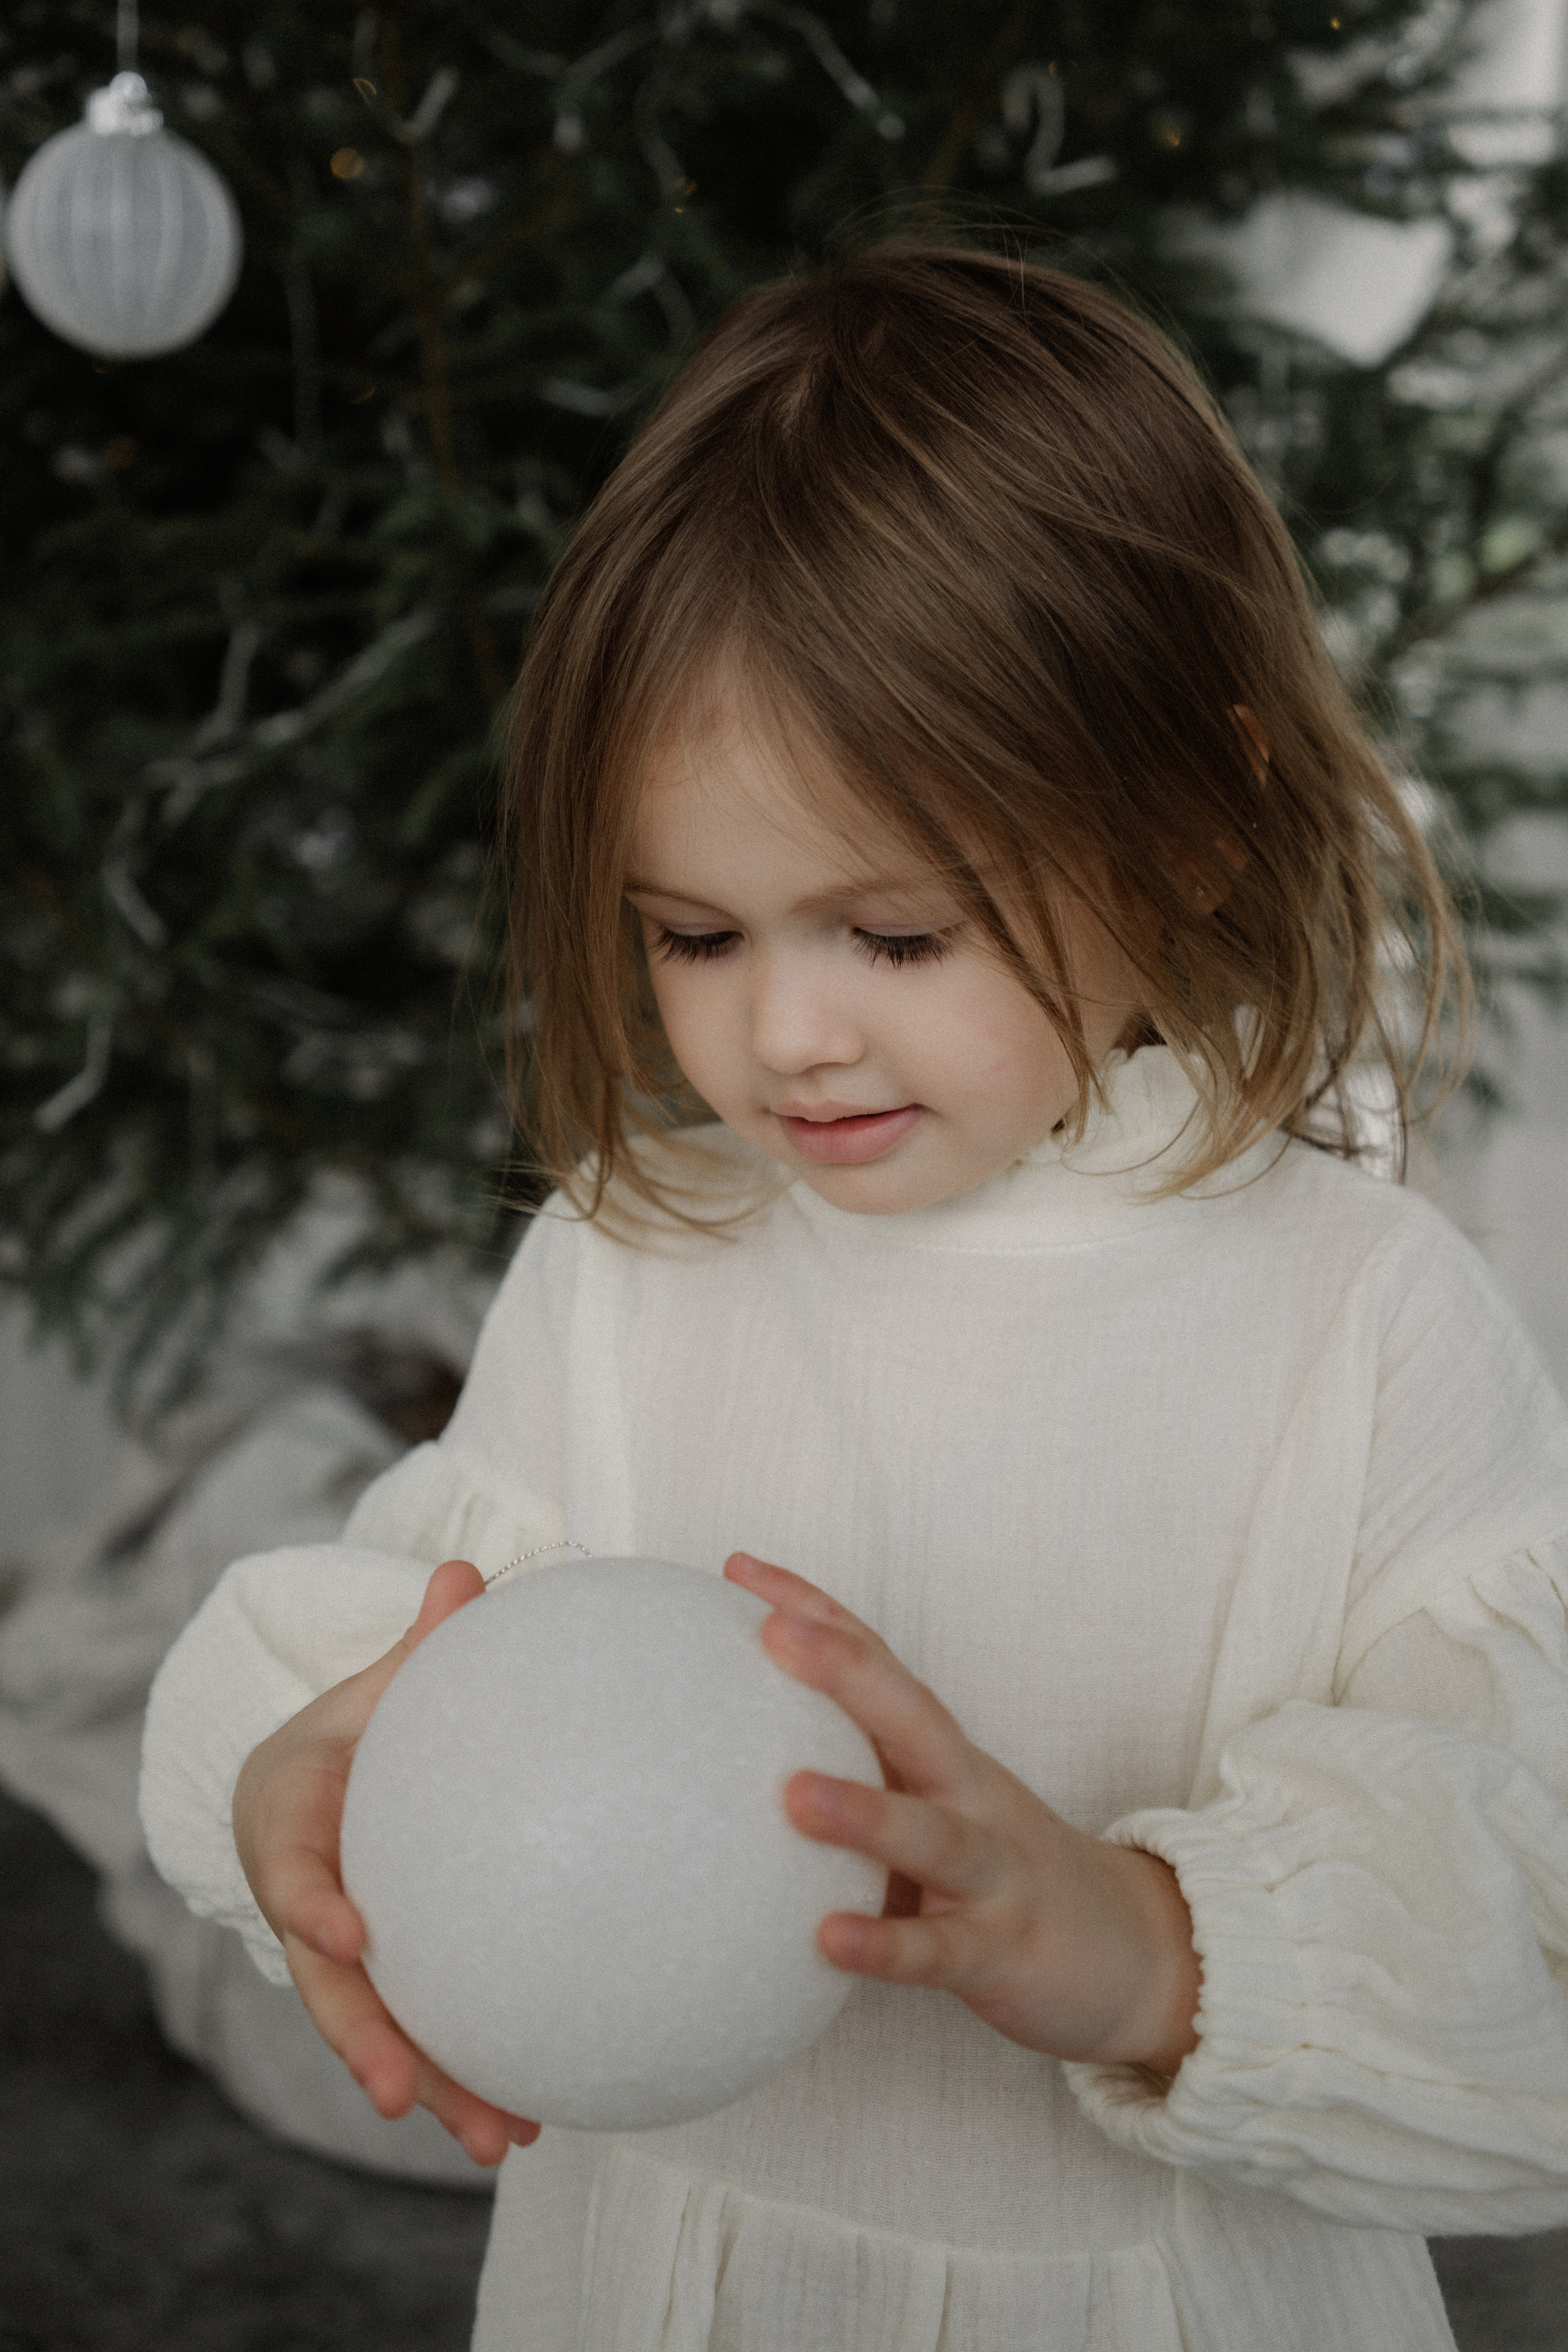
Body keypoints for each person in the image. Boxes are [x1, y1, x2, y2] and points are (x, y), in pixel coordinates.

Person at [141, 243, 1568, 2351]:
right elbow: (422, 1668)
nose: (787, 1032)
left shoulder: (1355, 1318)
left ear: (1190, 820)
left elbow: (1533, 1933)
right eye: (697, 934)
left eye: (896, 934)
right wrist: (299, 1782)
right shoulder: (635, 1267)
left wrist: (1146, 1942)